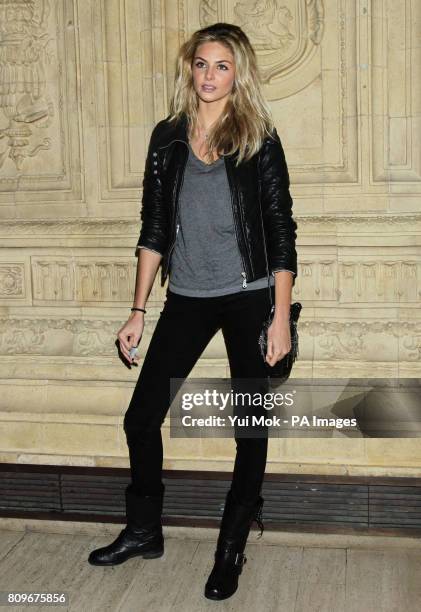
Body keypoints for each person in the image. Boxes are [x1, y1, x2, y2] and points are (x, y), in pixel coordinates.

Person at [88, 22, 297, 601]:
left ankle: (230, 550)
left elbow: (281, 233)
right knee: (141, 418)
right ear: (191, 70)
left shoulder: (259, 137)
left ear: (239, 74)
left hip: (250, 294)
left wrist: (279, 316)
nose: (209, 76)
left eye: (222, 66)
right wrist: (137, 309)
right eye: (201, 64)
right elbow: (153, 228)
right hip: (188, 297)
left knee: (249, 429)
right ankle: (143, 529)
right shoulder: (167, 136)